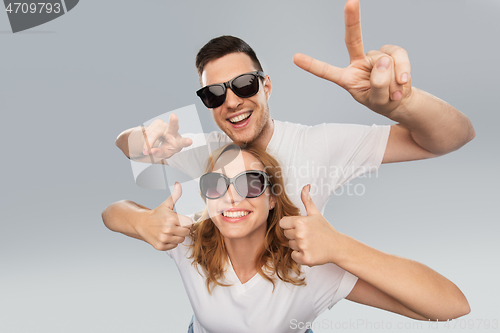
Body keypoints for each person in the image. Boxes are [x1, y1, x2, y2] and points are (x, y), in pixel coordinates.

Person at [111, 0, 474, 225]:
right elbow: (124, 145)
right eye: (214, 93)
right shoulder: (205, 151)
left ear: (266, 86)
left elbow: (454, 137)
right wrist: (141, 139)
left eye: (245, 85)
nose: (232, 101)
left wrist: (403, 103)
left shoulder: (321, 144)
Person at [104, 143, 470, 332]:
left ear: (272, 198)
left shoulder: (310, 269)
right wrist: (142, 222)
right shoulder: (191, 239)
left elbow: (450, 306)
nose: (231, 196)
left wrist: (342, 247)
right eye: (216, 184)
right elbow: (112, 212)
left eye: (250, 183)